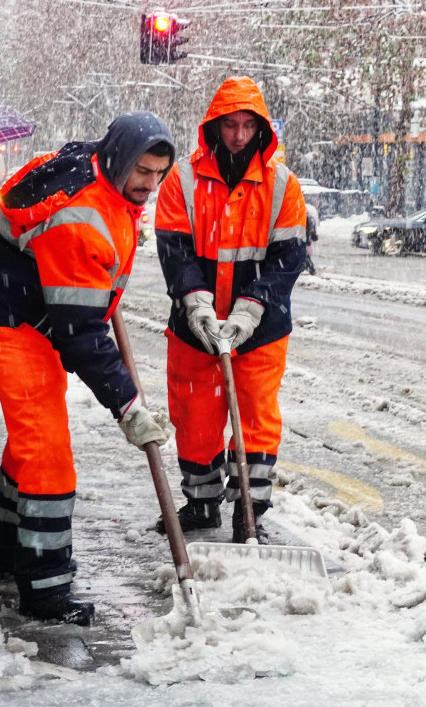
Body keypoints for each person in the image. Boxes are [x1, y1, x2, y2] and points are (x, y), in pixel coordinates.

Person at [0, 112, 174, 626]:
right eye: (142, 171)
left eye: (159, 174)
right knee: (47, 448)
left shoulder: (100, 170)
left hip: (28, 305)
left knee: (34, 434)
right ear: (120, 158)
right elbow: (80, 336)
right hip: (6, 314)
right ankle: (45, 589)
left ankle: (2, 554)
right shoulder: (83, 215)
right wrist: (128, 406)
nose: (150, 184)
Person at [154, 76, 307, 545]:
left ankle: (248, 512)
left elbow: (287, 260)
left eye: (248, 126)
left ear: (261, 129)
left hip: (261, 329)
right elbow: (175, 250)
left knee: (256, 418)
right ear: (214, 126)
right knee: (195, 416)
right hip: (194, 327)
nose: (239, 136)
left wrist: (251, 307)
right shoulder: (182, 180)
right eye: (230, 125)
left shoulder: (282, 186)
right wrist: (196, 302)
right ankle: (201, 505)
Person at [304, 201, 320, 275]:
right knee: (306, 255)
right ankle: (308, 268)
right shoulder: (311, 219)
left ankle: (311, 269)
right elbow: (313, 229)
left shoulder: (305, 218)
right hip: (308, 240)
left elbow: (309, 229)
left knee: (305, 255)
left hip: (304, 239)